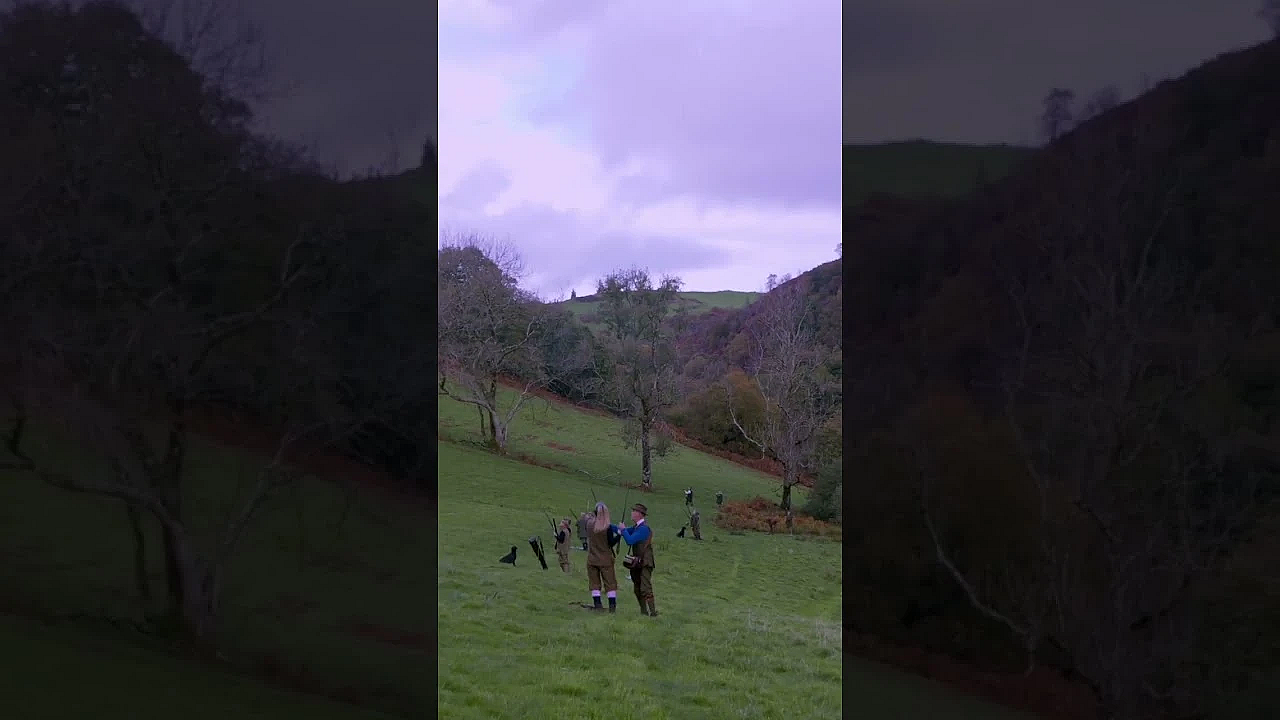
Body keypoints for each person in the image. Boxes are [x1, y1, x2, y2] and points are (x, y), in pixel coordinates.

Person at [619, 503, 658, 616]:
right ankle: (643, 612)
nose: (632, 513)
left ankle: (653, 613)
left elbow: (630, 540)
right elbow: (624, 531)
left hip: (645, 562)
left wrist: (623, 530)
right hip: (637, 562)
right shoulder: (637, 527)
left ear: (640, 514)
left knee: (645, 588)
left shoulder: (644, 529)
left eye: (634, 511)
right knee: (637, 588)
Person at [584, 502, 621, 612]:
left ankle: (597, 605)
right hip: (605, 560)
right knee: (610, 583)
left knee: (594, 583)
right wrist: (619, 534)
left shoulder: (589, 524)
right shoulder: (607, 527)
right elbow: (610, 543)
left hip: (592, 559)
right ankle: (612, 607)